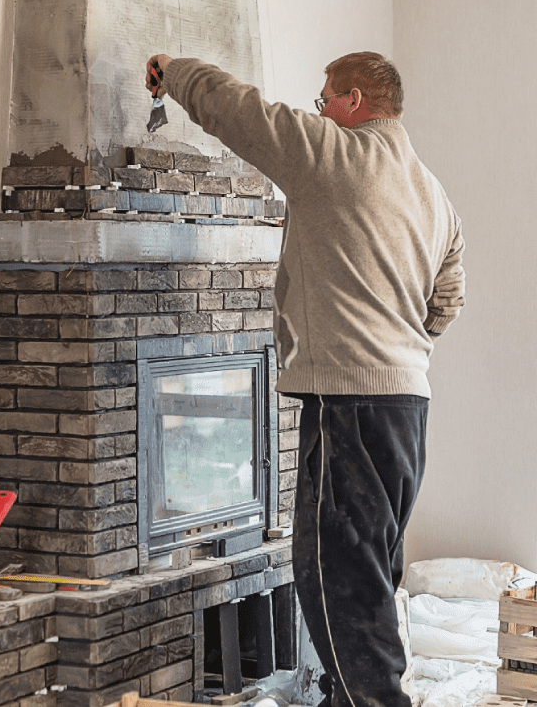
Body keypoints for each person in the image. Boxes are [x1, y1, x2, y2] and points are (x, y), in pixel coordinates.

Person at [144, 52, 465, 707]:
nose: (317, 110)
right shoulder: (432, 193)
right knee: (368, 577)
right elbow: (448, 299)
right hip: (406, 408)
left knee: (335, 582)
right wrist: (398, 346)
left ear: (352, 101)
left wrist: (173, 72)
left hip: (349, 403)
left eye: (323, 100)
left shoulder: (333, 155)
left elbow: (242, 113)